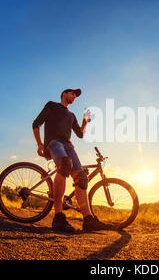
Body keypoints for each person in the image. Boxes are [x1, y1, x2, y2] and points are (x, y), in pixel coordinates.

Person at [32, 88, 112, 233]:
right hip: (53, 143)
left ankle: (88, 220)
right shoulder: (52, 106)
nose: (75, 96)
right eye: (72, 93)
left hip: (68, 145)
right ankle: (58, 217)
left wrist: (84, 122)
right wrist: (39, 144)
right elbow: (36, 123)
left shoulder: (72, 115)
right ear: (64, 94)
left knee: (81, 177)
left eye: (76, 95)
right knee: (64, 165)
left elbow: (80, 134)